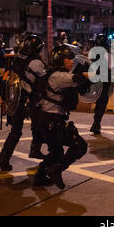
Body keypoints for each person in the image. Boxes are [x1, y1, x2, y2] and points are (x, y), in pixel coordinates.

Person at [33, 44, 89, 189]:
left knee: (56, 151)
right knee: (80, 145)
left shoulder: (50, 73)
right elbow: (77, 78)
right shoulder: (58, 76)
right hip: (51, 121)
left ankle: (39, 178)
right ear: (60, 60)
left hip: (45, 120)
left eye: (72, 59)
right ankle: (57, 170)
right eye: (68, 59)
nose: (71, 62)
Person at [0, 35, 47, 171]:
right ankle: (33, 150)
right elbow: (46, 80)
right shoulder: (36, 63)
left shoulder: (15, 59)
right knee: (37, 126)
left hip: (14, 99)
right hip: (28, 100)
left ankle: (5, 158)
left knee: (19, 130)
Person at [89, 34, 113, 135]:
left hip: (94, 81)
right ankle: (97, 123)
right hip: (104, 81)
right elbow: (111, 68)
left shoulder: (93, 53)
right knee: (102, 103)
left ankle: (96, 122)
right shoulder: (108, 54)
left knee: (99, 102)